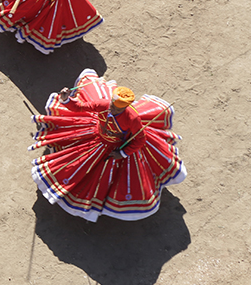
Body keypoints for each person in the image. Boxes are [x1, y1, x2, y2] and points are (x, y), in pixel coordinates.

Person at [31, 69, 186, 221]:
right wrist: (66, 100)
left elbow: (139, 140)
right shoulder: (105, 104)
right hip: (97, 136)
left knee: (112, 177)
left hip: (117, 147)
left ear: (125, 108)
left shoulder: (132, 119)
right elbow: (81, 107)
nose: (111, 109)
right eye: (112, 105)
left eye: (116, 108)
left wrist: (123, 153)